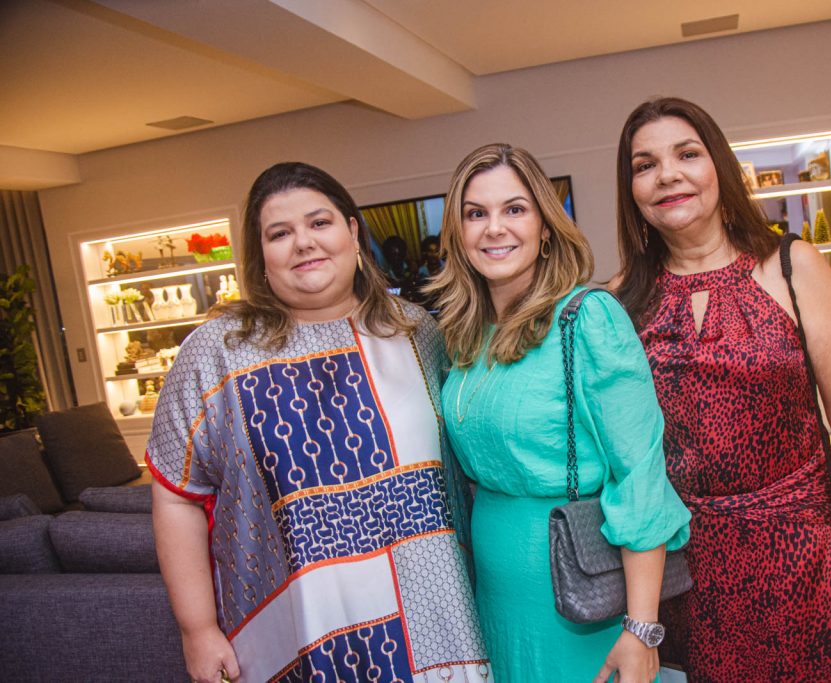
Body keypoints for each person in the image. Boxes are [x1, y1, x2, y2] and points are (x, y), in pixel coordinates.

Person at [147, 162, 490, 683]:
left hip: (439, 626)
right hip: (297, 635)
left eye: (319, 223)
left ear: (353, 232)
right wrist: (197, 629)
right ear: (260, 256)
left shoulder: (419, 333)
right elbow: (176, 494)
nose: (303, 243)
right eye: (280, 234)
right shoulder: (216, 354)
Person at [612, 98, 831, 682]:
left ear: (720, 167)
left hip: (798, 554)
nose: (667, 175)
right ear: (631, 190)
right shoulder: (620, 302)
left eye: (687, 154)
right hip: (682, 566)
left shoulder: (793, 267)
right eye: (644, 164)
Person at [427, 143, 690, 682]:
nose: (494, 228)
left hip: (577, 597)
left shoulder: (587, 318)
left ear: (546, 226)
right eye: (476, 213)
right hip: (491, 595)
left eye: (515, 209)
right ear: (457, 232)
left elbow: (638, 475)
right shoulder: (465, 334)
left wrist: (641, 629)